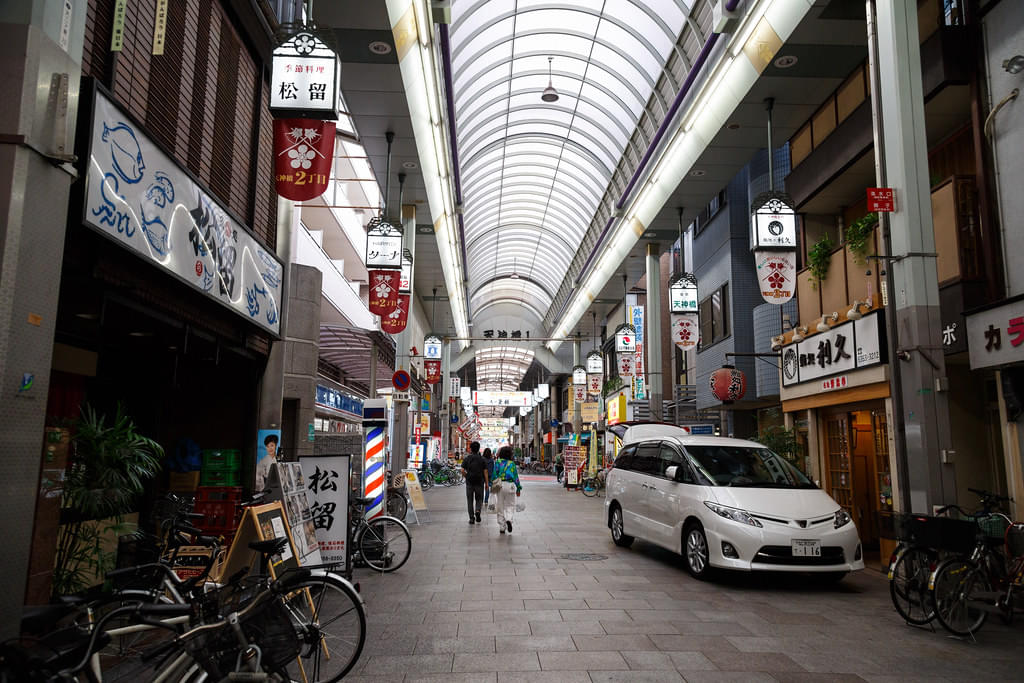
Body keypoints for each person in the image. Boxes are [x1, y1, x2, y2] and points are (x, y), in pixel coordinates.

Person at [492, 445, 521, 534]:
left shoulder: (497, 462)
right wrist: (518, 488)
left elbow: (494, 475)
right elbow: (516, 477)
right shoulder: (512, 464)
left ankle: (502, 526)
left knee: (500, 506)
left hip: (500, 485)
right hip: (510, 485)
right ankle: (509, 519)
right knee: (510, 505)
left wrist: (492, 485)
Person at [461, 441, 489, 524]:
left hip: (469, 482)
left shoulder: (467, 458)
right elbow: (485, 472)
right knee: (479, 499)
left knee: (470, 500)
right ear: (478, 449)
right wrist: (487, 483)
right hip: (480, 482)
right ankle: (478, 510)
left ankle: (471, 518)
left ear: (471, 449)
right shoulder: (482, 459)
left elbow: (462, 470)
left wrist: (467, 476)